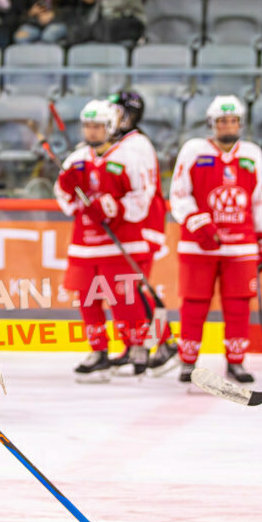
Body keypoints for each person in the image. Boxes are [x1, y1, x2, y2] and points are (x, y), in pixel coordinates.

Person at [169, 95, 262, 384]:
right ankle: (187, 361)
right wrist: (198, 224)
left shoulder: (252, 153)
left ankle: (236, 362)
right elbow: (179, 193)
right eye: (222, 121)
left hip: (241, 244)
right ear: (212, 124)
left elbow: (260, 199)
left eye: (232, 121)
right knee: (194, 303)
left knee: (238, 304)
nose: (228, 126)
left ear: (240, 123)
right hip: (198, 245)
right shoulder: (193, 150)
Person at [55, 99, 156, 380]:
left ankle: (137, 347)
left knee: (125, 299)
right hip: (85, 245)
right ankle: (98, 350)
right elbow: (64, 199)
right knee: (88, 299)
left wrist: (112, 207)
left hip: (119, 242)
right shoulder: (76, 159)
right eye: (87, 126)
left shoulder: (128, 157)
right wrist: (70, 192)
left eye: (97, 126)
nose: (92, 131)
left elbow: (142, 197)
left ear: (109, 127)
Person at [107, 90, 178, 375]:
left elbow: (144, 193)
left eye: (118, 111)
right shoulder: (119, 143)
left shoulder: (138, 145)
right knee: (123, 288)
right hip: (128, 227)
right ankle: (133, 344)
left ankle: (166, 342)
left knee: (136, 288)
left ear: (130, 115)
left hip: (143, 226)